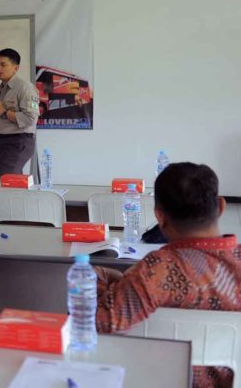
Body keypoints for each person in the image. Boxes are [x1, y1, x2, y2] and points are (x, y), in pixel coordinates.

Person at [94, 163, 240, 388]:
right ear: (221, 207)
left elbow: (96, 326)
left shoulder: (156, 271)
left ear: (159, 216)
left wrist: (98, 282)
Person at [0, 48, 39, 187]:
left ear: (15, 68)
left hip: (18, 142)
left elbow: (31, 119)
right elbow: (3, 119)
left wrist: (3, 111)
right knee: (12, 186)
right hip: (1, 141)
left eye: (3, 64)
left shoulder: (25, 87)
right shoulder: (1, 87)